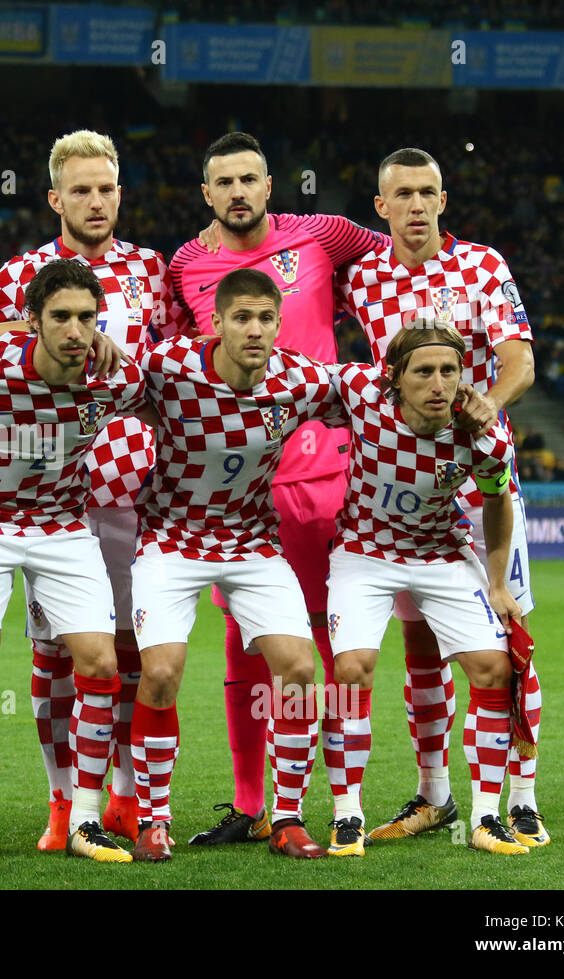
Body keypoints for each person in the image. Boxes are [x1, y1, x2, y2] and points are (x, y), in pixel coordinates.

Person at [167, 132, 384, 846]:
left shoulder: (319, 235)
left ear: (270, 186)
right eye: (223, 180)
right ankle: (251, 802)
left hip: (326, 474)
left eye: (250, 179)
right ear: (207, 192)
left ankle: (337, 798)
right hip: (238, 488)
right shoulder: (186, 265)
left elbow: (395, 265)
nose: (237, 191)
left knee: (323, 636)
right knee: (241, 639)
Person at [336, 147, 546, 848]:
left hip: (477, 478)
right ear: (382, 207)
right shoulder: (362, 276)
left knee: (507, 638)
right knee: (421, 642)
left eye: (429, 192)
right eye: (405, 194)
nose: (418, 205)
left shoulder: (482, 265)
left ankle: (520, 795)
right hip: (401, 483)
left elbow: (521, 355)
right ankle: (435, 793)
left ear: (444, 200)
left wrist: (490, 399)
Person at [0, 129, 173, 849]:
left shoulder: (153, 270)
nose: (95, 201)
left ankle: (122, 796)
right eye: (80, 190)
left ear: (121, 193)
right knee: (53, 654)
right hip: (51, 488)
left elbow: (177, 363)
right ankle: (63, 802)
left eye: (106, 188)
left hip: (132, 487)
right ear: (55, 197)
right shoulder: (22, 271)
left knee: (125, 648)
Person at [0, 259, 145, 867]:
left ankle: (85, 819)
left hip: (62, 527)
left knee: (101, 665)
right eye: (61, 317)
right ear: (33, 321)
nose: (76, 331)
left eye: (86, 318)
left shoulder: (114, 379)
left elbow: (175, 380)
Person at [130, 269, 346, 861]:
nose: (255, 330)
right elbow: (94, 374)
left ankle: (288, 818)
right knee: (162, 674)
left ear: (279, 323)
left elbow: (372, 396)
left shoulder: (301, 381)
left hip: (252, 542)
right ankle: (153, 819)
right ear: (218, 322)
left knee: (301, 670)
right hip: (171, 538)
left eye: (266, 319)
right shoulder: (168, 366)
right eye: (242, 318)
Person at [322, 323, 530, 856]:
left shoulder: (484, 434)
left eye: (449, 372)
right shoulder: (360, 392)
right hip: (364, 551)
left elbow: (497, 501)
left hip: (440, 550)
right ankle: (347, 814)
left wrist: (498, 581)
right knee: (351, 670)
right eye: (424, 372)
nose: (438, 384)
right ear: (394, 378)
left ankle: (486, 816)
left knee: (493, 667)